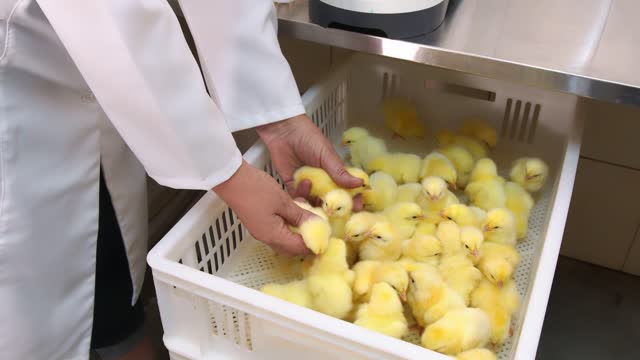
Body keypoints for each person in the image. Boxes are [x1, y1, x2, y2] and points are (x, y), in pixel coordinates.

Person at [0, 1, 361, 359]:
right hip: (22, 84)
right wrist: (231, 177)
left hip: (103, 94)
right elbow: (111, 11)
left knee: (114, 277)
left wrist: (277, 117)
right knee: (35, 306)